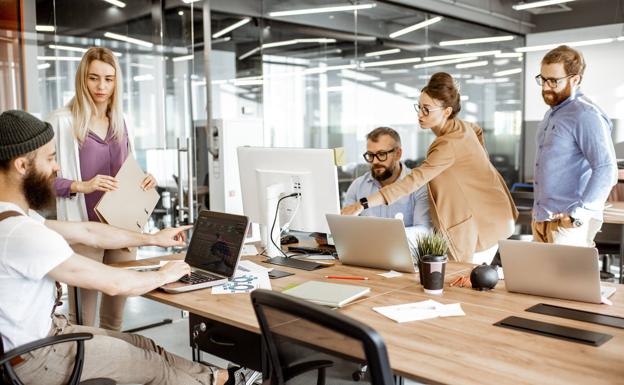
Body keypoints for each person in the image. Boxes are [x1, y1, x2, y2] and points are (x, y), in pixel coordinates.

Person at [0, 110, 227, 385]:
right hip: (38, 358)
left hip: (41, 340)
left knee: (143, 345)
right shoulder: (21, 234)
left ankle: (219, 378)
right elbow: (114, 283)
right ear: (22, 165)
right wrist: (164, 274)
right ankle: (217, 381)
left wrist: (153, 238)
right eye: (50, 158)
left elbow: (87, 231)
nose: (57, 168)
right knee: (151, 365)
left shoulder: (13, 220)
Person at [341, 72, 518, 264]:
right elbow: (477, 131)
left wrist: (362, 204)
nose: (420, 115)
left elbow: (412, 181)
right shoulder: (463, 127)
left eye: (427, 109)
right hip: (495, 215)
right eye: (419, 107)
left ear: (446, 111)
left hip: (483, 225)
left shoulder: (448, 144)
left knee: (462, 283)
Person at [46, 47, 156, 331]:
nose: (102, 86)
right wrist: (82, 185)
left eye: (109, 79)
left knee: (114, 319)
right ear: (83, 79)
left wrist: (144, 178)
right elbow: (42, 179)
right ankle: (84, 370)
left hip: (122, 229)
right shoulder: (62, 121)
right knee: (83, 320)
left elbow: (128, 170)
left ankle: (113, 367)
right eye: (94, 78)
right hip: (85, 233)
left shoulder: (121, 122)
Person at [532, 45, 617, 246]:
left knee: (567, 279)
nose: (545, 87)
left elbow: (606, 168)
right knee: (538, 278)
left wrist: (579, 215)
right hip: (543, 218)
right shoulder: (552, 114)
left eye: (553, 81)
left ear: (575, 79)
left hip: (568, 223)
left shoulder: (586, 115)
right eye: (543, 79)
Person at [344, 126, 431, 239]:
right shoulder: (357, 186)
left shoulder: (419, 186)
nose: (375, 161)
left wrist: (386, 235)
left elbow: (424, 231)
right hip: (365, 254)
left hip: (406, 254)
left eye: (381, 154)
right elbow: (345, 227)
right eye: (370, 155)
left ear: (398, 154)